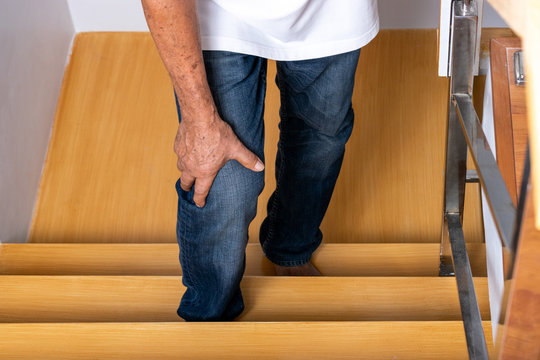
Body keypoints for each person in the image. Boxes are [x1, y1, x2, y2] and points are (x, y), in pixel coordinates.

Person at [141, 0, 379, 321]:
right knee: (228, 186)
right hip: (216, 13)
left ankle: (290, 249)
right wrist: (199, 120)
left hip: (330, 12)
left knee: (319, 143)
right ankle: (210, 311)